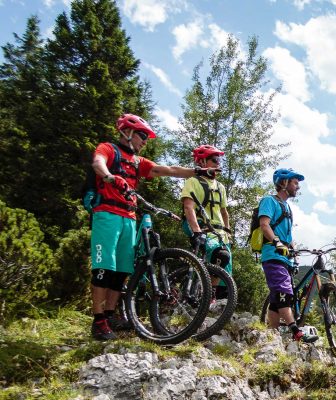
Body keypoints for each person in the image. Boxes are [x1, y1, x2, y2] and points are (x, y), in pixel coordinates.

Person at [89, 114, 212, 340]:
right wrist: (109, 177)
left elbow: (169, 170)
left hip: (129, 216)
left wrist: (198, 171)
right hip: (107, 213)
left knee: (122, 270)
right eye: (142, 136)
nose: (145, 141)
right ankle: (98, 321)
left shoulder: (138, 162)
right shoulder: (108, 148)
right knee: (104, 267)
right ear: (127, 132)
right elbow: (98, 163)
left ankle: (111, 314)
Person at [259, 167, 316, 343]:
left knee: (277, 299)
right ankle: (296, 331)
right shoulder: (270, 201)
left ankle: (272, 335)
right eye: (295, 183)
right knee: (285, 293)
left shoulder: (287, 207)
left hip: (286, 257)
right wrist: (276, 242)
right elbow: (264, 224)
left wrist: (295, 254)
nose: (297, 187)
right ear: (283, 183)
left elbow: (289, 236)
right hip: (273, 254)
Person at [181, 144, 232, 304]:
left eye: (219, 160)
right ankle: (207, 296)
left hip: (219, 231)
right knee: (220, 255)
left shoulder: (220, 187)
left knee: (224, 264)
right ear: (202, 162)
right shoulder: (193, 181)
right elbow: (188, 207)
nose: (218, 163)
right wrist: (196, 232)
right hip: (199, 225)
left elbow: (224, 212)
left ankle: (210, 295)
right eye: (214, 159)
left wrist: (228, 232)